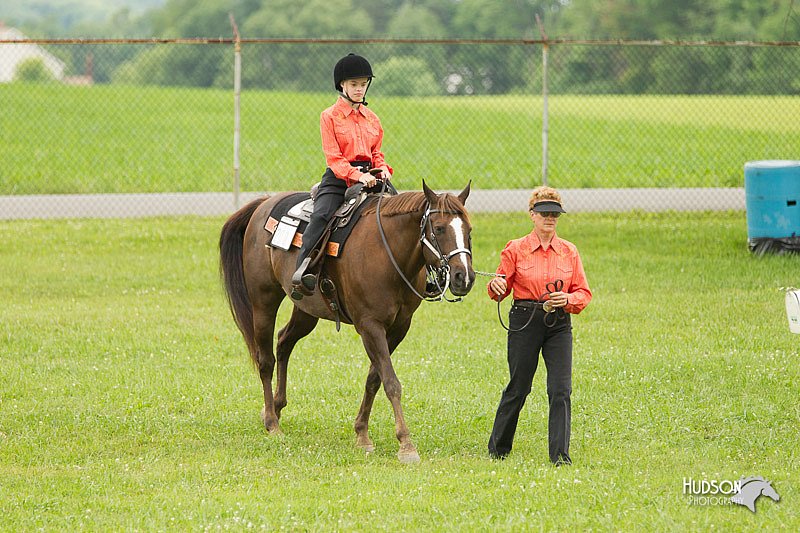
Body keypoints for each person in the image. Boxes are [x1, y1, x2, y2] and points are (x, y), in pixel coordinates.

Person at [487, 186, 592, 465]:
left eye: (555, 215)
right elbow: (500, 286)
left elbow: (583, 294)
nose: (550, 219)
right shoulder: (515, 249)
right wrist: (496, 286)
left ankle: (560, 455)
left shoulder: (569, 251)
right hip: (525, 320)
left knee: (560, 389)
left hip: (558, 323)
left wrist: (567, 298)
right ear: (532, 215)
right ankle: (498, 448)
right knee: (519, 386)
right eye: (544, 213)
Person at [290, 53, 393, 301]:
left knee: (405, 214)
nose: (359, 89)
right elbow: (334, 159)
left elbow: (377, 153)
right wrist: (357, 176)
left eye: (363, 84)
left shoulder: (373, 119)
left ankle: (426, 274)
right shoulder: (329, 117)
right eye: (354, 85)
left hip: (371, 176)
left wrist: (383, 170)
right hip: (339, 178)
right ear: (342, 86)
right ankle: (303, 270)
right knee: (322, 215)